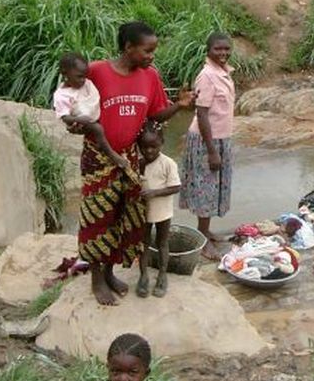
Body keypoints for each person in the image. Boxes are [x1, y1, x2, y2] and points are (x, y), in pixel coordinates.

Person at [68, 21, 194, 306]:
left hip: (130, 159)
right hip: (98, 156)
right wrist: (73, 122)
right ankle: (97, 279)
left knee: (124, 217)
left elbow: (157, 114)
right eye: (147, 50)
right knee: (97, 217)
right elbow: (74, 102)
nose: (152, 56)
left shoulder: (150, 76)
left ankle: (111, 272)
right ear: (128, 47)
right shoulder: (97, 72)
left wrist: (180, 106)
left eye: (153, 51)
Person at [180, 33, 235, 261]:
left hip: (221, 138)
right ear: (208, 50)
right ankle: (202, 239)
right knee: (206, 190)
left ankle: (206, 230)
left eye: (226, 49)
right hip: (207, 141)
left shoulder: (224, 73)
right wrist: (212, 150)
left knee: (214, 189)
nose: (222, 53)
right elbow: (201, 114)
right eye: (217, 49)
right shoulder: (207, 76)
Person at [53, 52, 131, 174]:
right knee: (97, 129)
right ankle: (112, 154)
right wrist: (79, 120)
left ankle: (101, 143)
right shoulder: (62, 95)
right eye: (79, 76)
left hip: (90, 115)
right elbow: (65, 117)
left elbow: (94, 100)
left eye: (85, 76)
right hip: (79, 120)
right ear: (65, 74)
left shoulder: (85, 84)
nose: (83, 80)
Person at [137, 123, 180, 299]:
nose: (149, 151)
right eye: (144, 147)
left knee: (162, 242)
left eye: (153, 147)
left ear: (162, 143)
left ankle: (162, 275)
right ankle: (143, 276)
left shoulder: (168, 163)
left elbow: (175, 186)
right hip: (144, 212)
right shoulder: (139, 164)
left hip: (162, 211)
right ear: (139, 147)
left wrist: (154, 193)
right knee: (144, 243)